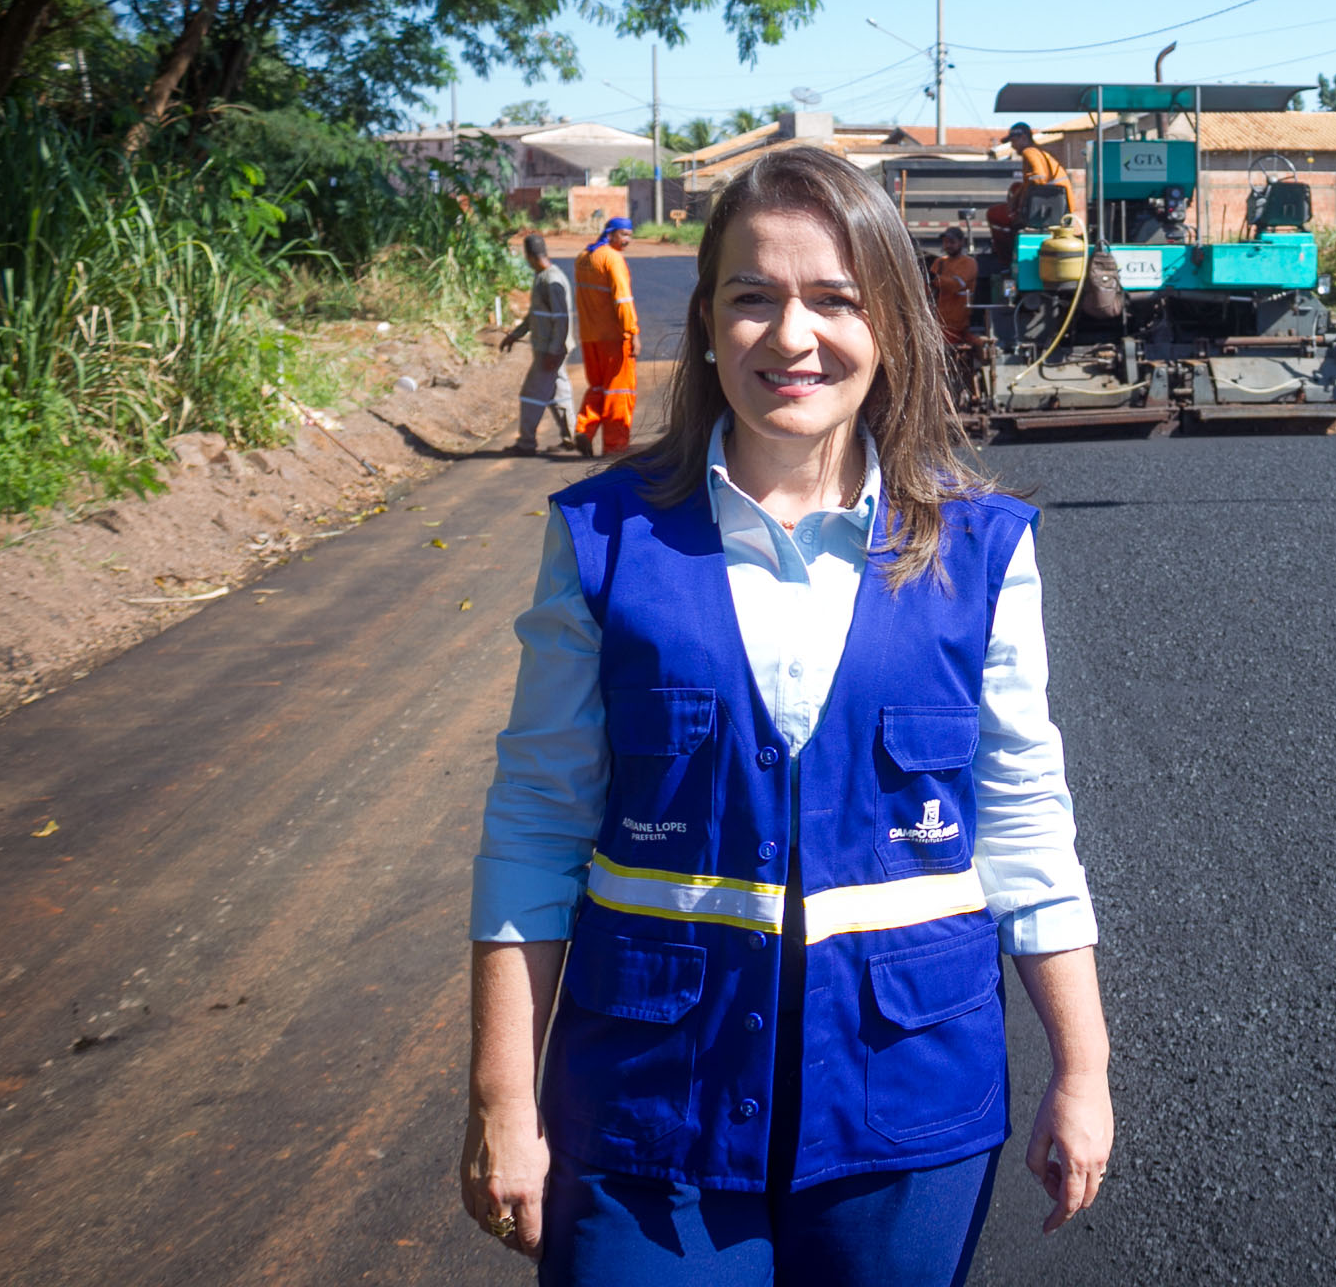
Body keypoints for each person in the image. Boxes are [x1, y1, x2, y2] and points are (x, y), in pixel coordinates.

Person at [461, 145, 1111, 1286]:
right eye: (752, 297)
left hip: (906, 1117)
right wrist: (503, 1098)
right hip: (647, 1117)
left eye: (836, 299)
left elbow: (1024, 820)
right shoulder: (603, 537)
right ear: (708, 322)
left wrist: (1083, 1067)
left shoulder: (984, 547)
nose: (792, 336)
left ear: (893, 325)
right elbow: (536, 826)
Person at [501, 232, 578, 453]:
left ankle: (526, 443)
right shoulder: (542, 277)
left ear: (530, 256)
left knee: (531, 394)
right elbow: (535, 315)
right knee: (558, 393)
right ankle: (571, 437)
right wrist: (515, 334)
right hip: (550, 349)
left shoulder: (552, 281)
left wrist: (554, 352)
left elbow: (561, 320)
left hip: (550, 350)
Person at [573, 215, 639, 455]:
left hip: (590, 338)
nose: (628, 240)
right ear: (610, 234)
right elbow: (622, 300)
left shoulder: (583, 258)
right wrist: (632, 333)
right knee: (619, 391)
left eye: (630, 235)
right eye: (624, 235)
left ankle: (584, 429)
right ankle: (615, 446)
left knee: (599, 388)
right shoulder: (612, 259)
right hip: (614, 339)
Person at [985, 123, 1078, 265]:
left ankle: (1006, 261)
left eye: (1013, 141)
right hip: (1058, 207)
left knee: (994, 214)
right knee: (1015, 189)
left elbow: (1039, 178)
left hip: (1048, 209)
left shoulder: (1030, 152)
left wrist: (1019, 203)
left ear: (1023, 137)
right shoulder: (1039, 152)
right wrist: (1018, 195)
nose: (1012, 146)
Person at [927, 226, 983, 354]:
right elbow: (928, 290)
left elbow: (955, 285)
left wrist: (934, 279)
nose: (948, 245)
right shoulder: (939, 262)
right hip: (938, 322)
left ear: (961, 242)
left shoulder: (968, 263)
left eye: (951, 242)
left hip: (957, 323)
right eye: (945, 242)